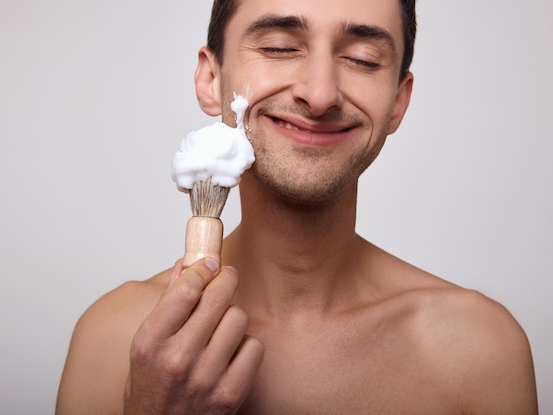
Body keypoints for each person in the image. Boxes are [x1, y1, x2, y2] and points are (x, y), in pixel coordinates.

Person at [56, 0, 538, 413]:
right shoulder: (115, 341)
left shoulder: (480, 352)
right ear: (210, 78)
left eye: (364, 59)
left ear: (398, 101)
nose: (320, 93)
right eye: (279, 47)